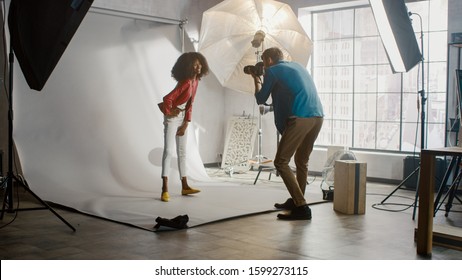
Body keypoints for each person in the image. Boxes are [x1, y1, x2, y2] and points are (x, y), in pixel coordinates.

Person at [249, 47, 324, 220]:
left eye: (264, 61)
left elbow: (261, 99)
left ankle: (302, 207)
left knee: (281, 162)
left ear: (268, 60)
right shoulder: (297, 66)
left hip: (301, 117)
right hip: (318, 116)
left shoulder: (273, 71)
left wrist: (256, 78)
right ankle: (298, 200)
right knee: (301, 161)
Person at [159, 52, 209, 202]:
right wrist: (170, 111)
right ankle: (164, 189)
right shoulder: (186, 82)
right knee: (168, 151)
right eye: (195, 64)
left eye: (200, 63)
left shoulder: (196, 81)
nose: (198, 66)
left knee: (182, 152)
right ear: (188, 67)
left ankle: (185, 186)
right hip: (172, 118)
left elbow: (190, 104)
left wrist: (186, 122)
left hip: (182, 118)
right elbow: (167, 99)